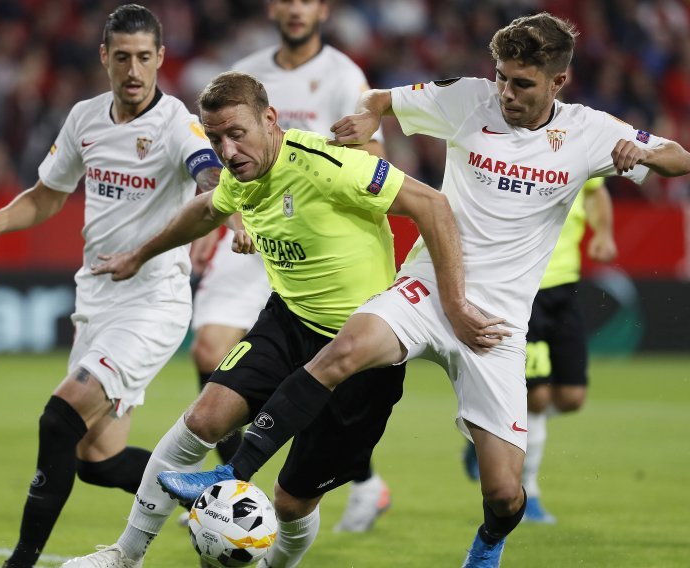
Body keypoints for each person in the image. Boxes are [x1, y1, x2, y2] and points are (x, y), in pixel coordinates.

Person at [158, 12, 690, 567]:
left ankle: (489, 541)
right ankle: (232, 472)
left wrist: (646, 154)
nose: (506, 93)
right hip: (428, 288)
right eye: (501, 77)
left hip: (496, 323)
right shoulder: (469, 98)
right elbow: (379, 99)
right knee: (342, 351)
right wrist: (368, 119)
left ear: (558, 81)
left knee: (504, 493)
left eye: (522, 83)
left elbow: (679, 157)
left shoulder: (590, 132)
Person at [62, 70, 496, 568]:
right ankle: (125, 555)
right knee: (202, 420)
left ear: (269, 119)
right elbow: (205, 210)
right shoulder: (241, 175)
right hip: (288, 323)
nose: (227, 151)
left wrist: (454, 303)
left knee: (291, 503)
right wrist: (139, 255)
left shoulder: (328, 165)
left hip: (362, 348)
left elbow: (433, 205)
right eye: (215, 139)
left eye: (236, 133)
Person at [0, 5, 222, 567]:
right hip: (96, 301)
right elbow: (46, 195)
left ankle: (19, 562)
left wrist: (222, 208)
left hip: (152, 302)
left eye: (144, 57)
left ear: (161, 58)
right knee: (97, 461)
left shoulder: (176, 122)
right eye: (122, 57)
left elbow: (208, 174)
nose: (133, 70)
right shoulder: (84, 118)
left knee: (58, 417)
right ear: (104, 56)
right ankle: (223, 497)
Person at [188, 0, 391, 533]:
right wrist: (222, 220)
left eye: (306, 0)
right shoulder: (246, 71)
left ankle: (363, 481)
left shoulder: (343, 75)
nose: (295, 9)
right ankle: (229, 497)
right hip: (254, 232)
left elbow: (370, 157)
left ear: (322, 9)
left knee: (318, 382)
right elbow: (223, 159)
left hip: (315, 239)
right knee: (209, 349)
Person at [462, 177, 617, 525]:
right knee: (536, 397)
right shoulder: (516, 157)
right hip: (521, 291)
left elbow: (596, 193)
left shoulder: (580, 149)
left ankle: (492, 433)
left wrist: (604, 234)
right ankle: (528, 491)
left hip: (565, 288)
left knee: (572, 397)